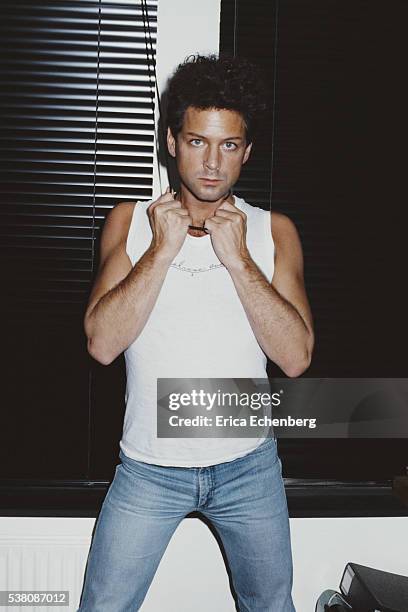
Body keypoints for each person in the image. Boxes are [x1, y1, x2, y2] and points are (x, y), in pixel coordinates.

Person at [78, 54, 314, 612]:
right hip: (148, 470)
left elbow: (296, 358)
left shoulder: (273, 230)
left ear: (246, 151)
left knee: (272, 606)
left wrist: (240, 263)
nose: (211, 163)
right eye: (196, 142)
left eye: (228, 145)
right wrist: (162, 250)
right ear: (171, 142)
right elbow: (102, 344)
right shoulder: (130, 221)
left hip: (248, 469)